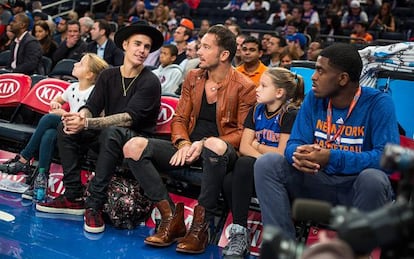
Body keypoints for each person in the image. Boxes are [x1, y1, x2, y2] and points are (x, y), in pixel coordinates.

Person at [122, 25, 257, 254]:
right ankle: (170, 219)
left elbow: (243, 133)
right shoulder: (193, 76)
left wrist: (202, 143)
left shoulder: (245, 87)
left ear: (224, 55)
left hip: (221, 154)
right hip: (187, 148)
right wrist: (184, 144)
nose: (199, 51)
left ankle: (199, 228)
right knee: (133, 147)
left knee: (214, 144)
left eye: (206, 47)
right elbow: (180, 119)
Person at [254, 43, 399, 240]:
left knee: (373, 179)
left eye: (321, 71)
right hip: (316, 179)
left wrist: (331, 157)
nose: (313, 77)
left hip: (354, 188)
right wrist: (298, 154)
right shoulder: (313, 98)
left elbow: (387, 159)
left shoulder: (378, 103)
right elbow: (294, 143)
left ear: (342, 79)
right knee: (267, 164)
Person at [36, 21, 164, 235]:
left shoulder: (150, 81)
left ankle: (94, 205)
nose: (142, 50)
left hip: (135, 140)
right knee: (65, 126)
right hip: (107, 136)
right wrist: (79, 118)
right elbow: (92, 106)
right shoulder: (109, 75)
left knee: (112, 132)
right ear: (125, 45)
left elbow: (127, 119)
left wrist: (86, 122)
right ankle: (73, 196)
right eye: (138, 44)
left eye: (147, 47)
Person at [0, 53, 109, 199]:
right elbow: (56, 102)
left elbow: (81, 119)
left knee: (49, 119)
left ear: (89, 74)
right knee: (49, 134)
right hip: (66, 129)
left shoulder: (95, 92)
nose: (75, 64)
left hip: (85, 134)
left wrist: (61, 112)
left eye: (81, 63)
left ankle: (24, 159)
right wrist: (56, 103)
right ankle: (41, 180)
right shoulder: (73, 87)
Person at [222, 67, 305, 257]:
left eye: (263, 85)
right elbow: (244, 146)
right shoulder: (257, 109)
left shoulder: (290, 114)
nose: (257, 89)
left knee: (244, 165)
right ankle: (240, 234)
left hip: (281, 177)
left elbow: (282, 155)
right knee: (227, 181)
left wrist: (258, 148)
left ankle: (241, 233)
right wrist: (263, 158)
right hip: (256, 172)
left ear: (279, 92)